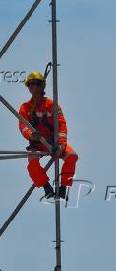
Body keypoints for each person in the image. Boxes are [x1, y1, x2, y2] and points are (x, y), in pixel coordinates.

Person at [18, 71, 78, 200]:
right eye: (30, 84)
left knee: (72, 156)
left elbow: (61, 125)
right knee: (32, 164)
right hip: (37, 144)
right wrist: (31, 135)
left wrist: (61, 145)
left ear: (42, 86)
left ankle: (63, 188)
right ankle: (47, 188)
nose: (33, 87)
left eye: (36, 84)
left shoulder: (51, 105)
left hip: (55, 143)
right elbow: (23, 127)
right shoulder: (25, 108)